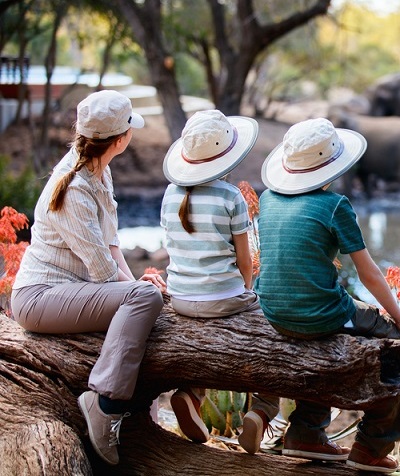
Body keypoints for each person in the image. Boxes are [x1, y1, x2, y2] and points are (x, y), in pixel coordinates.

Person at [9, 90, 166, 466]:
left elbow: (111, 246)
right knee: (146, 300)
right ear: (121, 139)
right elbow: (101, 271)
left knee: (145, 296)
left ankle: (137, 416)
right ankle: (104, 403)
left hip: (69, 291)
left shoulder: (98, 170)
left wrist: (138, 283)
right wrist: (138, 293)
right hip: (39, 298)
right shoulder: (75, 187)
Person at [256, 117, 400, 473]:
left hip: (272, 311)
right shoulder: (334, 205)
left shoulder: (268, 198)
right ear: (331, 165)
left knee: (323, 334)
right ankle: (372, 445)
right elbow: (369, 272)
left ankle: (306, 432)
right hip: (320, 314)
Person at [159, 109, 274, 446]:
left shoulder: (170, 193)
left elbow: (173, 246)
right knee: (270, 337)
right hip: (224, 298)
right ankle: (263, 409)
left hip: (180, 298)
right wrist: (248, 292)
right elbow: (243, 260)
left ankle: (192, 393)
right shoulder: (230, 197)